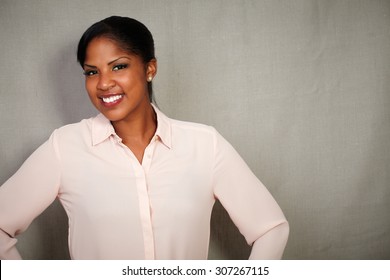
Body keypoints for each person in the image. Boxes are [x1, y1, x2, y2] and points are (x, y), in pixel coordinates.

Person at [0, 16, 289, 260]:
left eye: (118, 66)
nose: (103, 83)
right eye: (91, 72)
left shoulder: (204, 145)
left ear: (149, 69)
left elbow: (270, 228)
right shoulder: (65, 147)